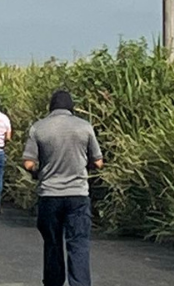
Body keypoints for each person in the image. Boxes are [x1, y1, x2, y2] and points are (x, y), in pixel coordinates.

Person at [23, 90, 104, 286]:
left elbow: (28, 162)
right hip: (78, 195)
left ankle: (53, 282)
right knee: (78, 243)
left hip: (49, 194)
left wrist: (38, 171)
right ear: (71, 107)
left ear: (51, 107)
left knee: (52, 243)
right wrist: (85, 165)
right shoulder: (84, 127)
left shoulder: (39, 128)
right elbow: (98, 162)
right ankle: (80, 283)